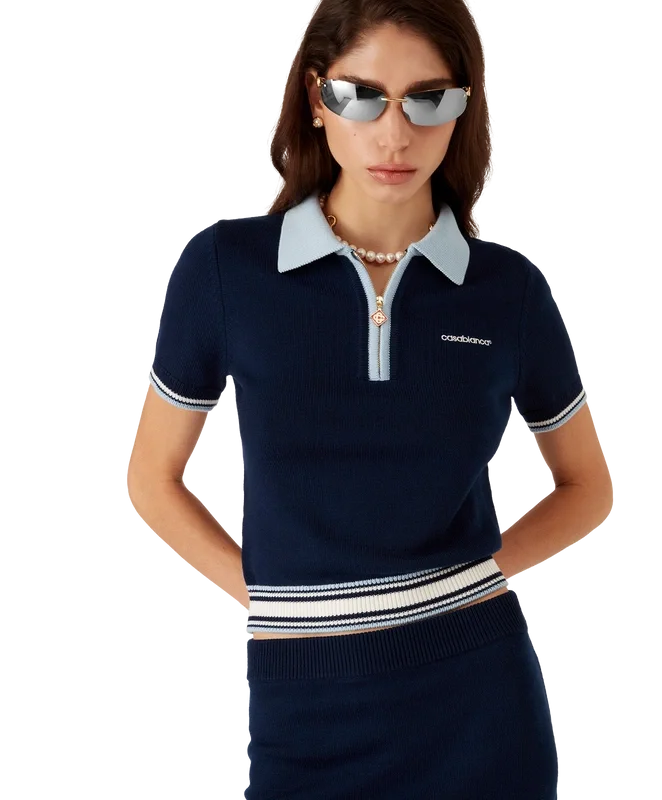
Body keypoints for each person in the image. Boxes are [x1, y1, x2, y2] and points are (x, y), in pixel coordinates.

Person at [125, 0, 614, 797]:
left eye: (429, 99)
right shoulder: (225, 270)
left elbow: (588, 485)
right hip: (303, 714)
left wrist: (475, 580)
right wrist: (271, 598)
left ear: (463, 108)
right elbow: (151, 479)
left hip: (479, 706)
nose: (395, 135)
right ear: (316, 99)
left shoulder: (507, 290)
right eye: (362, 96)